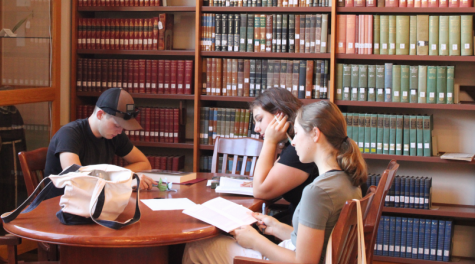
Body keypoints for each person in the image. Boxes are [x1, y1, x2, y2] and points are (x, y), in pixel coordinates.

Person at [183, 100, 367, 264]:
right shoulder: (348, 178)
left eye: (296, 133)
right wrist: (276, 227)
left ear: (315, 134)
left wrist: (256, 241)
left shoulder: (317, 192)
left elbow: (304, 261)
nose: (293, 142)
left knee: (196, 248)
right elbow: (317, 241)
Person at [44, 88, 155, 189]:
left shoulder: (115, 135)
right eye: (117, 125)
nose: (120, 131)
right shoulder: (69, 134)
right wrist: (121, 178)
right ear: (100, 114)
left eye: (123, 127)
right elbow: (77, 179)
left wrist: (121, 176)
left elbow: (144, 163)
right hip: (60, 205)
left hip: (94, 202)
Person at [244, 88, 318, 226]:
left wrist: (270, 141)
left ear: (279, 115)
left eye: (259, 120)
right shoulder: (295, 145)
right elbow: (267, 178)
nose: (256, 128)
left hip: (300, 229)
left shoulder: (298, 150)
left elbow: (260, 191)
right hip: (298, 222)